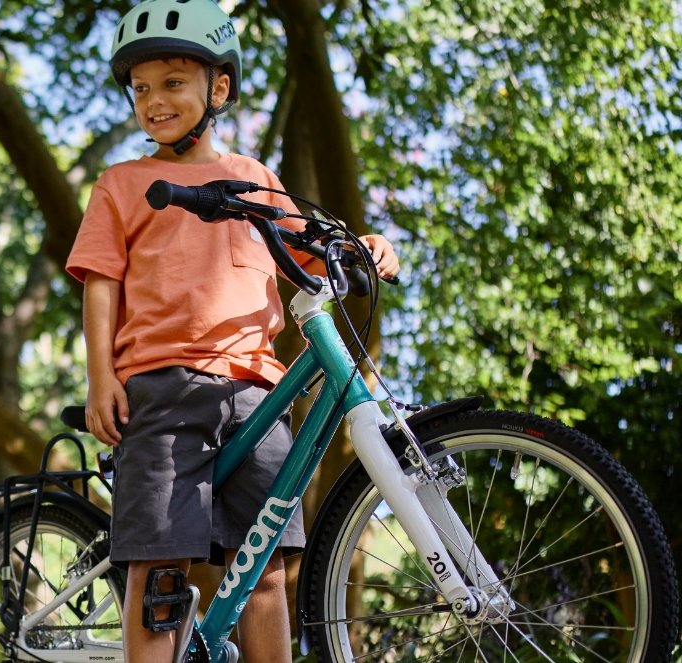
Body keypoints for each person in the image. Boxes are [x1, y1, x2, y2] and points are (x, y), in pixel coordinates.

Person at [64, 2, 402, 661]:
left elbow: (307, 254)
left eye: (172, 82)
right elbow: (101, 280)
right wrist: (101, 375)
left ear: (218, 88)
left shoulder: (253, 180)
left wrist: (363, 245)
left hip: (258, 393)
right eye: (140, 89)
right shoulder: (123, 184)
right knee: (161, 567)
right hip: (159, 392)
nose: (154, 101)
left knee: (265, 567)